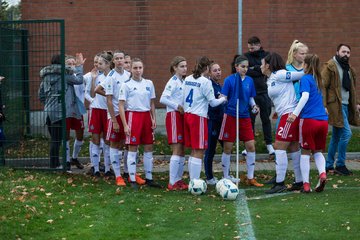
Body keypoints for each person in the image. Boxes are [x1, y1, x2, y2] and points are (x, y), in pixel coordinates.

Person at [260, 53, 304, 194]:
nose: (261, 66)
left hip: (289, 114)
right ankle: (299, 181)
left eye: (262, 64)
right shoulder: (271, 78)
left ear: (268, 65)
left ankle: (280, 182)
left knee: (279, 146)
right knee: (293, 147)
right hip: (285, 114)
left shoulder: (280, 74)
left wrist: (307, 67)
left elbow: (300, 75)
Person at [219, 55, 263, 187]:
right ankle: (226, 176)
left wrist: (254, 106)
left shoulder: (249, 80)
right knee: (228, 147)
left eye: (247, 67)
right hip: (231, 115)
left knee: (250, 145)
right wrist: (222, 99)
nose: (245, 69)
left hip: (244, 116)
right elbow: (224, 96)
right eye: (242, 66)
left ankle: (250, 177)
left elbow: (250, 98)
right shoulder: (229, 80)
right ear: (236, 67)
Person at [287, 54, 328, 193]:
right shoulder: (319, 80)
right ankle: (322, 173)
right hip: (323, 121)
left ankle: (306, 184)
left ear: (307, 65)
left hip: (309, 120)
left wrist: (294, 114)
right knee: (317, 151)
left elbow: (304, 97)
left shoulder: (305, 78)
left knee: (305, 152)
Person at [119, 57, 161, 189]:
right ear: (131, 69)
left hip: (146, 117)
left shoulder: (149, 83)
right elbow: (121, 105)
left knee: (148, 147)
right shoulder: (126, 85)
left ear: (143, 69)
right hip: (133, 116)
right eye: (135, 68)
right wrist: (125, 124)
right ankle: (132, 179)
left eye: (140, 68)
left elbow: (152, 102)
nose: (138, 70)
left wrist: (153, 118)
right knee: (133, 147)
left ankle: (149, 178)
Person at [183, 56, 226, 182]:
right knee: (200, 149)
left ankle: (192, 180)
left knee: (194, 150)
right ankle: (195, 182)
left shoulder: (188, 78)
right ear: (207, 68)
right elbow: (212, 103)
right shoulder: (205, 81)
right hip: (198, 116)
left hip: (187, 114)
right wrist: (223, 99)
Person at [39, 53, 85, 169]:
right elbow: (79, 80)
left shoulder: (46, 76)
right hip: (60, 112)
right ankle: (54, 166)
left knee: (54, 139)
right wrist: (79, 67)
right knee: (57, 140)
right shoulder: (64, 75)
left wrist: (48, 104)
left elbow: (41, 95)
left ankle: (55, 164)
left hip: (49, 112)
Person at [322, 44, 360, 175]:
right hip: (334, 106)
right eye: (344, 51)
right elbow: (323, 86)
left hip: (345, 105)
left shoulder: (349, 69)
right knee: (347, 134)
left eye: (348, 52)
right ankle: (340, 164)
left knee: (337, 136)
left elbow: (352, 89)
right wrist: (324, 105)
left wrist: (356, 103)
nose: (346, 54)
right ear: (337, 52)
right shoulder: (330, 66)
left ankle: (328, 165)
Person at [95, 50, 130, 185]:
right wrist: (114, 121)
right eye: (117, 58)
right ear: (113, 61)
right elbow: (109, 100)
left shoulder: (128, 75)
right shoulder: (111, 76)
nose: (120, 61)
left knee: (126, 143)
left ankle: (127, 172)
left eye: (122, 58)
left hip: (127, 113)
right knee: (115, 143)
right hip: (115, 114)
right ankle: (117, 175)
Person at [282, 40, 309, 190]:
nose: (304, 56)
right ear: (294, 54)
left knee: (300, 145)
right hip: (290, 110)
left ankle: (300, 179)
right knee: (287, 144)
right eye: (302, 53)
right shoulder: (286, 69)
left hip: (305, 110)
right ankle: (283, 177)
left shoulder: (308, 69)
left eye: (306, 53)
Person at [160, 56, 188, 191]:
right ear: (175, 68)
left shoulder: (183, 81)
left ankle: (178, 179)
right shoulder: (173, 81)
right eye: (181, 66)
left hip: (182, 116)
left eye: (186, 66)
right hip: (174, 116)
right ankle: (172, 182)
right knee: (177, 148)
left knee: (182, 149)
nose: (185, 68)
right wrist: (177, 106)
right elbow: (163, 98)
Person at [244, 36, 274, 158]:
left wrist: (253, 68)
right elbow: (247, 71)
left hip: (264, 92)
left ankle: (269, 144)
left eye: (254, 45)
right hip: (251, 93)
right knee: (250, 119)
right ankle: (249, 146)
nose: (251, 48)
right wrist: (257, 69)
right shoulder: (246, 57)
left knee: (266, 119)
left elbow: (267, 70)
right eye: (249, 46)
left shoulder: (266, 55)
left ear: (259, 45)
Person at [87, 51, 112, 177]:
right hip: (96, 110)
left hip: (108, 111)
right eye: (97, 63)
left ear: (107, 64)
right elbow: (92, 93)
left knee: (108, 141)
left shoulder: (113, 76)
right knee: (95, 140)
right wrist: (93, 79)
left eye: (100, 63)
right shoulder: (97, 76)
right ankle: (95, 169)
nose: (98, 65)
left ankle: (107, 169)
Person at [203, 62, 224, 185]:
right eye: (215, 70)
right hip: (212, 121)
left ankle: (226, 174)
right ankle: (209, 177)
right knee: (210, 150)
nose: (218, 72)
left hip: (222, 121)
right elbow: (212, 103)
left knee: (227, 147)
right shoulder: (209, 85)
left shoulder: (219, 85)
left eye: (219, 69)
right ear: (210, 73)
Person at [64, 55, 85, 170]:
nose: (72, 65)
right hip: (67, 109)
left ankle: (74, 158)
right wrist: (79, 66)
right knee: (66, 136)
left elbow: (85, 90)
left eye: (73, 63)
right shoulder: (67, 76)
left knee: (80, 135)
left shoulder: (80, 76)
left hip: (78, 109)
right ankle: (66, 160)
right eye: (69, 63)